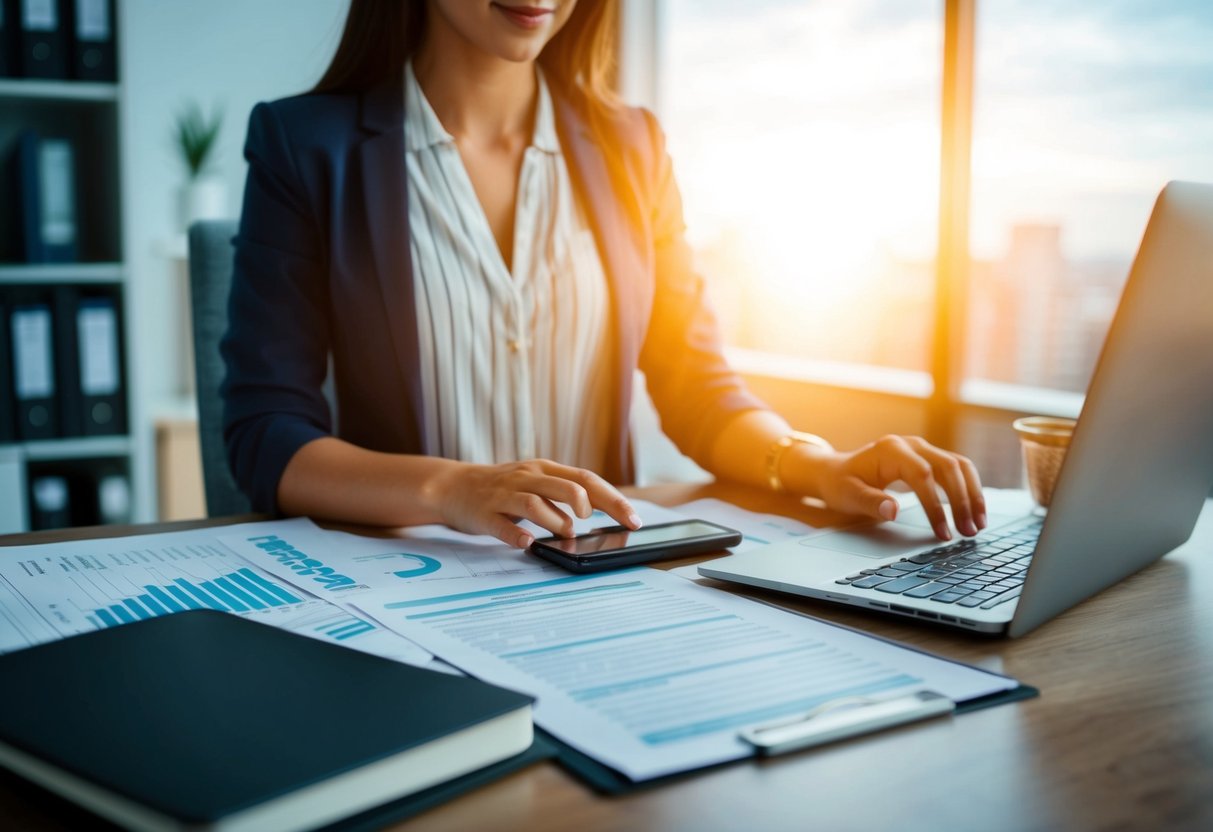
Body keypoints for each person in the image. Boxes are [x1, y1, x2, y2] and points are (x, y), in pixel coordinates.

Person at [221, 0, 987, 550]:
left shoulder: (633, 147)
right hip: (418, 583)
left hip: (605, 580)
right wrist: (454, 489)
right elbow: (268, 436)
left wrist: (815, 463)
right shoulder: (304, 147)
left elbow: (695, 385)